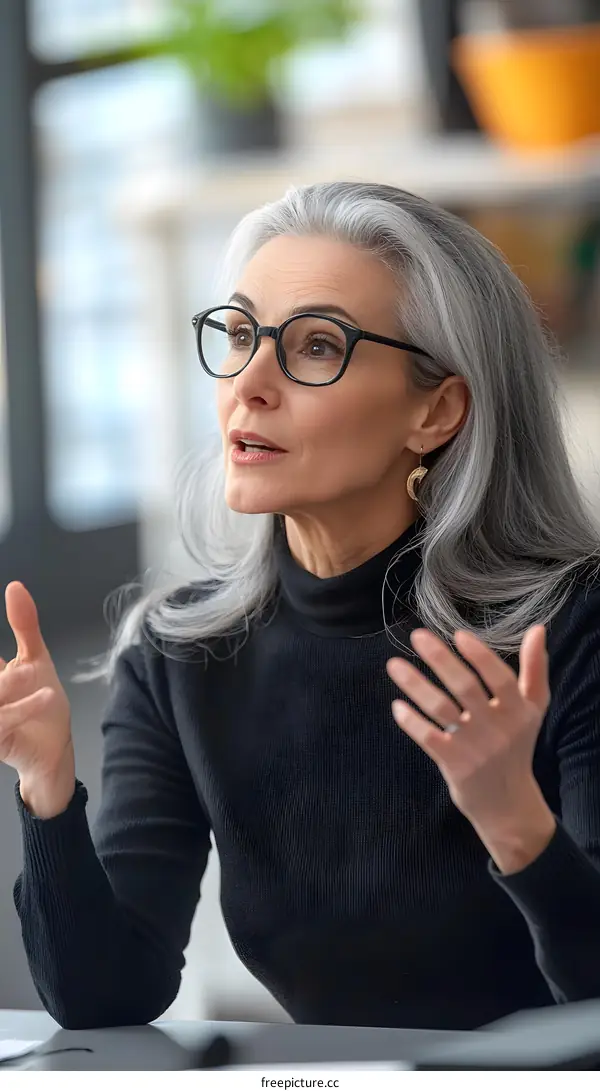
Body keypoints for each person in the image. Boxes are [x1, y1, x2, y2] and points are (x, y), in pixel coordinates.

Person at [3, 181, 600, 1033]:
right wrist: (48, 789)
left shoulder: (575, 628)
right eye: (241, 334)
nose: (249, 383)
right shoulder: (181, 655)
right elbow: (107, 995)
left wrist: (516, 824)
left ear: (436, 410)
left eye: (317, 346)